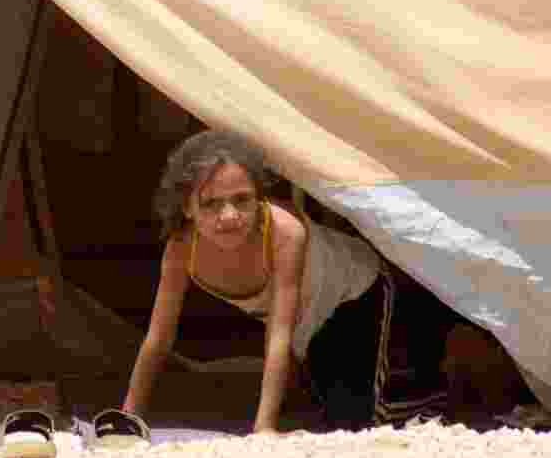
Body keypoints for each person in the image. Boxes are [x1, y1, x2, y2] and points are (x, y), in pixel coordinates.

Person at [122, 130, 452, 434]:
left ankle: (441, 397)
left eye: (242, 199)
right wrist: (129, 416)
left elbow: (279, 332)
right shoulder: (182, 248)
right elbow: (158, 337)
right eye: (211, 203)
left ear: (260, 197)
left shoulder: (283, 232)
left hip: (355, 295)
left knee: (357, 425)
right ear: (187, 208)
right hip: (306, 322)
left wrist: (264, 428)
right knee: (326, 410)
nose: (229, 216)